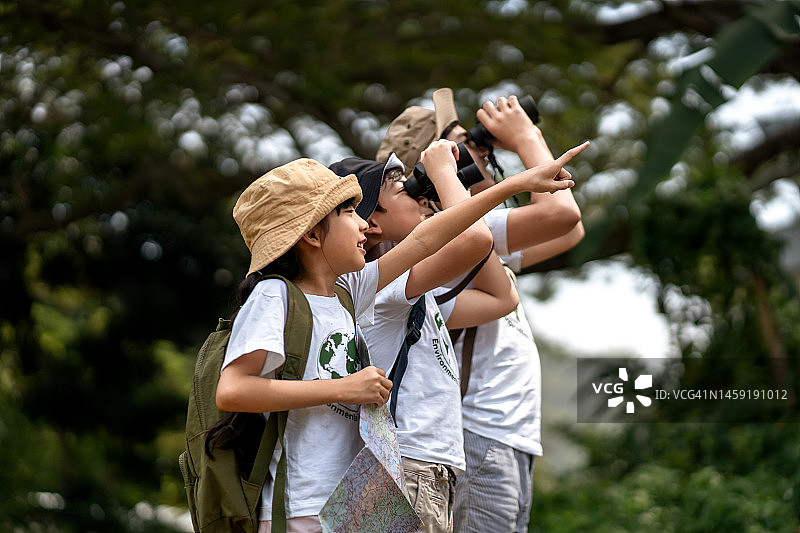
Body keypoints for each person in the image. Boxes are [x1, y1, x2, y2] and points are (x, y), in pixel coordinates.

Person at [212, 140, 588, 532]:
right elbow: (234, 389)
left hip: (352, 505)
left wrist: (515, 185)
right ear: (312, 235)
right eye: (347, 212)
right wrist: (343, 388)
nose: (363, 224)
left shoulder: (349, 292)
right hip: (301, 507)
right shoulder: (275, 294)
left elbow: (430, 239)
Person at [376, 89, 586, 533]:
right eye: (466, 143)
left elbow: (570, 231)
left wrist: (494, 170)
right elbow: (562, 214)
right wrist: (526, 137)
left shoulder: (472, 226)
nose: (483, 149)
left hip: (507, 433)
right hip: (480, 429)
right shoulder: (444, 234)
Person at [330, 140, 519, 532]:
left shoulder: (411, 292)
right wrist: (445, 176)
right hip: (407, 466)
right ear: (373, 224)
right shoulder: (381, 288)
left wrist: (443, 199)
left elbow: (503, 297)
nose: (418, 193)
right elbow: (476, 241)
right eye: (403, 191)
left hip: (424, 467)